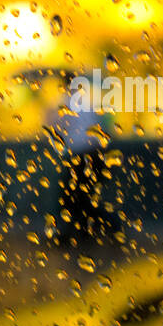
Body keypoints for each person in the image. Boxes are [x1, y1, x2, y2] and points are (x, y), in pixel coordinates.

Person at [47, 73, 111, 244]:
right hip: (95, 154)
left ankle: (70, 235)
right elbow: (100, 125)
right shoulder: (86, 100)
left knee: (70, 196)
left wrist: (47, 111)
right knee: (86, 196)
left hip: (80, 156)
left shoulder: (66, 100)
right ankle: (88, 233)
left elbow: (52, 124)